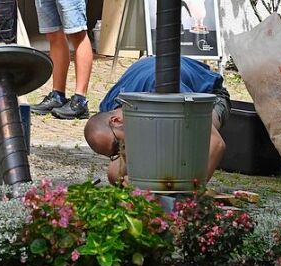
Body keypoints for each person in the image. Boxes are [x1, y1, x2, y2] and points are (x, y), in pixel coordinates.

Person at [84, 56, 229, 184]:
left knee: (186, 141)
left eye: (118, 146)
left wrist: (190, 196)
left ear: (116, 121)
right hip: (158, 108)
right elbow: (117, 172)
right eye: (114, 154)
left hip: (208, 97)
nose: (121, 152)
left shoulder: (164, 91)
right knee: (115, 175)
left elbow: (215, 143)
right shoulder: (108, 107)